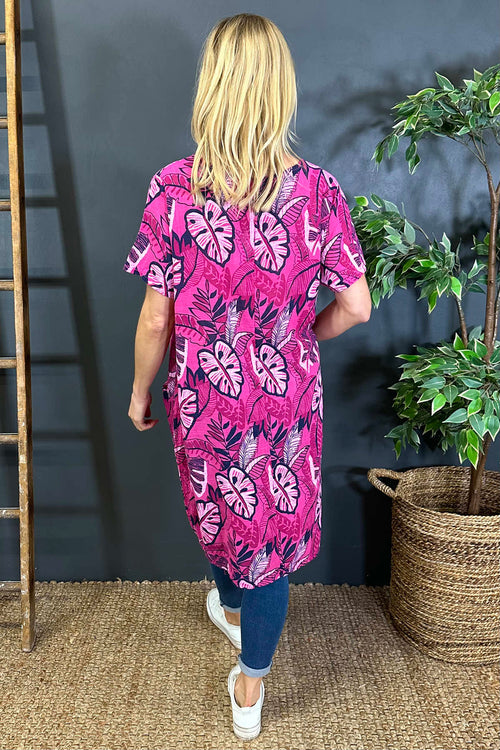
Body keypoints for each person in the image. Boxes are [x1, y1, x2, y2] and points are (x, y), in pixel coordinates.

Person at [123, 12, 372, 741]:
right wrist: (301, 336)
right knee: (269, 532)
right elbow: (357, 305)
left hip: (205, 395)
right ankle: (246, 665)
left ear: (214, 86)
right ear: (280, 89)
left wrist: (140, 392)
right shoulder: (317, 192)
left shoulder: (174, 188)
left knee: (223, 509)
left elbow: (155, 321)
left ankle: (243, 650)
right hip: (287, 395)